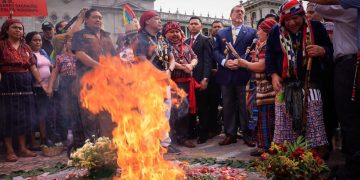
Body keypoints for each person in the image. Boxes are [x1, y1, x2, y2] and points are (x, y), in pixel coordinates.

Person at [265, 0, 333, 152]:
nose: (291, 23)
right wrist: (274, 75)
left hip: (311, 84)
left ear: (302, 15)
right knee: (284, 123)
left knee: (314, 121)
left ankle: (314, 158)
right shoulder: (275, 32)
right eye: (287, 20)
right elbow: (269, 56)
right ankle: (286, 159)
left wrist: (322, 51)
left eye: (295, 18)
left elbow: (330, 50)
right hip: (284, 85)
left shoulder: (315, 27)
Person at [312, 2, 360, 178]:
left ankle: (353, 168)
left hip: (349, 65)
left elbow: (318, 7)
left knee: (348, 117)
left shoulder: (349, 9)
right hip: (350, 64)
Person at [0, 19, 47, 162]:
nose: (18, 30)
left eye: (20, 28)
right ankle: (9, 150)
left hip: (25, 85)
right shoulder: (1, 45)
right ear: (6, 30)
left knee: (24, 116)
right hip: (7, 85)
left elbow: (32, 67)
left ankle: (22, 148)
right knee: (8, 117)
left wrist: (42, 83)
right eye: (14, 27)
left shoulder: (26, 47)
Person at [213, 4, 257, 146]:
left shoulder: (251, 32)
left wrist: (243, 62)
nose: (240, 14)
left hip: (243, 74)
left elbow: (254, 51)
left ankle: (246, 133)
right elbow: (215, 52)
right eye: (237, 12)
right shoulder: (221, 33)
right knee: (228, 104)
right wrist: (225, 62)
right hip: (226, 74)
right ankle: (230, 134)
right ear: (231, 15)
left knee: (244, 105)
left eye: (242, 12)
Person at [134, 10, 177, 152]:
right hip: (147, 82)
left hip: (163, 81)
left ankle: (164, 145)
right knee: (148, 114)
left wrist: (169, 71)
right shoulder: (139, 38)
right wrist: (159, 73)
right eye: (156, 19)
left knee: (164, 113)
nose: (160, 21)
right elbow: (141, 59)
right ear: (147, 21)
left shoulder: (161, 38)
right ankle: (148, 146)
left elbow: (171, 57)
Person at [72, 8, 116, 140]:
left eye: (100, 18)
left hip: (106, 81)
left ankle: (105, 145)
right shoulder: (79, 35)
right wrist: (100, 67)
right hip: (87, 81)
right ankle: (90, 147)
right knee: (89, 115)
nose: (98, 20)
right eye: (95, 17)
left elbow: (113, 57)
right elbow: (80, 54)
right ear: (86, 20)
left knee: (106, 114)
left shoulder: (107, 36)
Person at [238, 19, 277, 156]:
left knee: (267, 118)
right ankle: (262, 145)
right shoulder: (260, 45)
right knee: (260, 118)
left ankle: (268, 147)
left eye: (260, 30)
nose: (257, 32)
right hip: (261, 89)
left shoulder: (267, 45)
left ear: (267, 32)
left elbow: (262, 66)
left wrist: (245, 64)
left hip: (268, 89)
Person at [163, 21, 198, 148]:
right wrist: (184, 67)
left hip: (188, 84)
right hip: (174, 84)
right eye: (171, 32)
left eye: (177, 31)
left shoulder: (187, 46)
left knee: (186, 111)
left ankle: (184, 137)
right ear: (165, 34)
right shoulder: (165, 46)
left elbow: (195, 57)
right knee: (172, 112)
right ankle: (171, 138)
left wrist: (191, 65)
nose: (175, 34)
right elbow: (167, 61)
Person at [25, 31, 57, 148]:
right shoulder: (29, 54)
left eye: (39, 40)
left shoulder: (43, 53)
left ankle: (47, 139)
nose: (38, 42)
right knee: (40, 115)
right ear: (29, 42)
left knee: (48, 113)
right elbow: (33, 70)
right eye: (35, 40)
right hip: (37, 88)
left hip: (48, 88)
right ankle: (42, 140)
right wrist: (43, 84)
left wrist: (50, 86)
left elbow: (51, 66)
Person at [185, 16, 212, 144]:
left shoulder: (206, 40)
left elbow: (208, 61)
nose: (193, 26)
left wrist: (205, 78)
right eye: (191, 24)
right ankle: (191, 132)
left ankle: (203, 134)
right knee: (190, 107)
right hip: (188, 81)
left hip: (200, 80)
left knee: (202, 108)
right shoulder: (185, 42)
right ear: (188, 26)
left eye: (196, 24)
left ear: (201, 26)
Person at [208, 20, 224, 138]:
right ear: (211, 29)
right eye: (215, 27)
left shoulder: (228, 41)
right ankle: (214, 128)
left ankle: (229, 129)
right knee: (213, 103)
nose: (217, 29)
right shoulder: (208, 41)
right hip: (213, 78)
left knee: (228, 104)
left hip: (227, 77)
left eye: (219, 27)